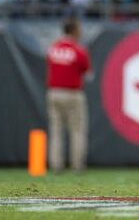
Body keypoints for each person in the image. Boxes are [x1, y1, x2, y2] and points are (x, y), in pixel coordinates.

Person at [46, 18, 92, 172]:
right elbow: (88, 72)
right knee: (77, 130)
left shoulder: (54, 47)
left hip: (54, 93)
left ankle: (56, 165)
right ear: (73, 30)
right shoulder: (78, 50)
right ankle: (77, 165)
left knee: (56, 130)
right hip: (72, 93)